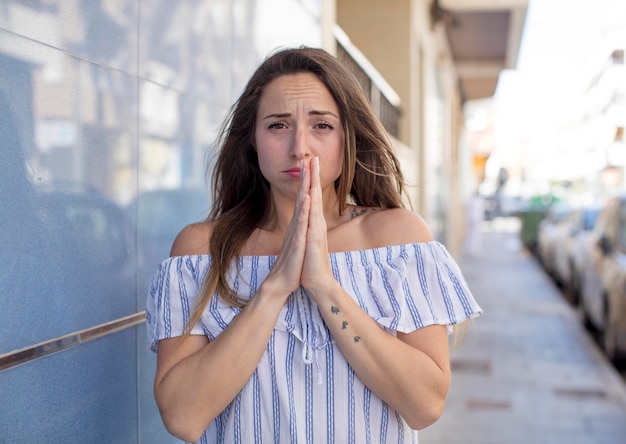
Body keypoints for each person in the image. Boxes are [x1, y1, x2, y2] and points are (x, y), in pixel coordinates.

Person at [146, 46, 482, 443]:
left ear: (347, 136)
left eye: (321, 125)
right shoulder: (201, 251)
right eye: (277, 125)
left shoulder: (398, 241)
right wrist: (274, 288)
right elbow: (183, 416)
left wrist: (324, 286)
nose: (299, 147)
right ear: (252, 139)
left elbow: (424, 405)